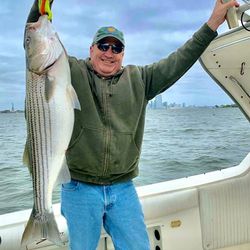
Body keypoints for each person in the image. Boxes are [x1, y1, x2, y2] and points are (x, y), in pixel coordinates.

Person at [26, 0, 239, 249]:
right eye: (103, 45)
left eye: (116, 48)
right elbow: (32, 36)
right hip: (79, 189)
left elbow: (181, 59)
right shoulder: (70, 71)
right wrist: (41, 6)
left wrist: (213, 24)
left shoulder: (140, 79)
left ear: (123, 54)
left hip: (123, 188)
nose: (109, 52)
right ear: (91, 49)